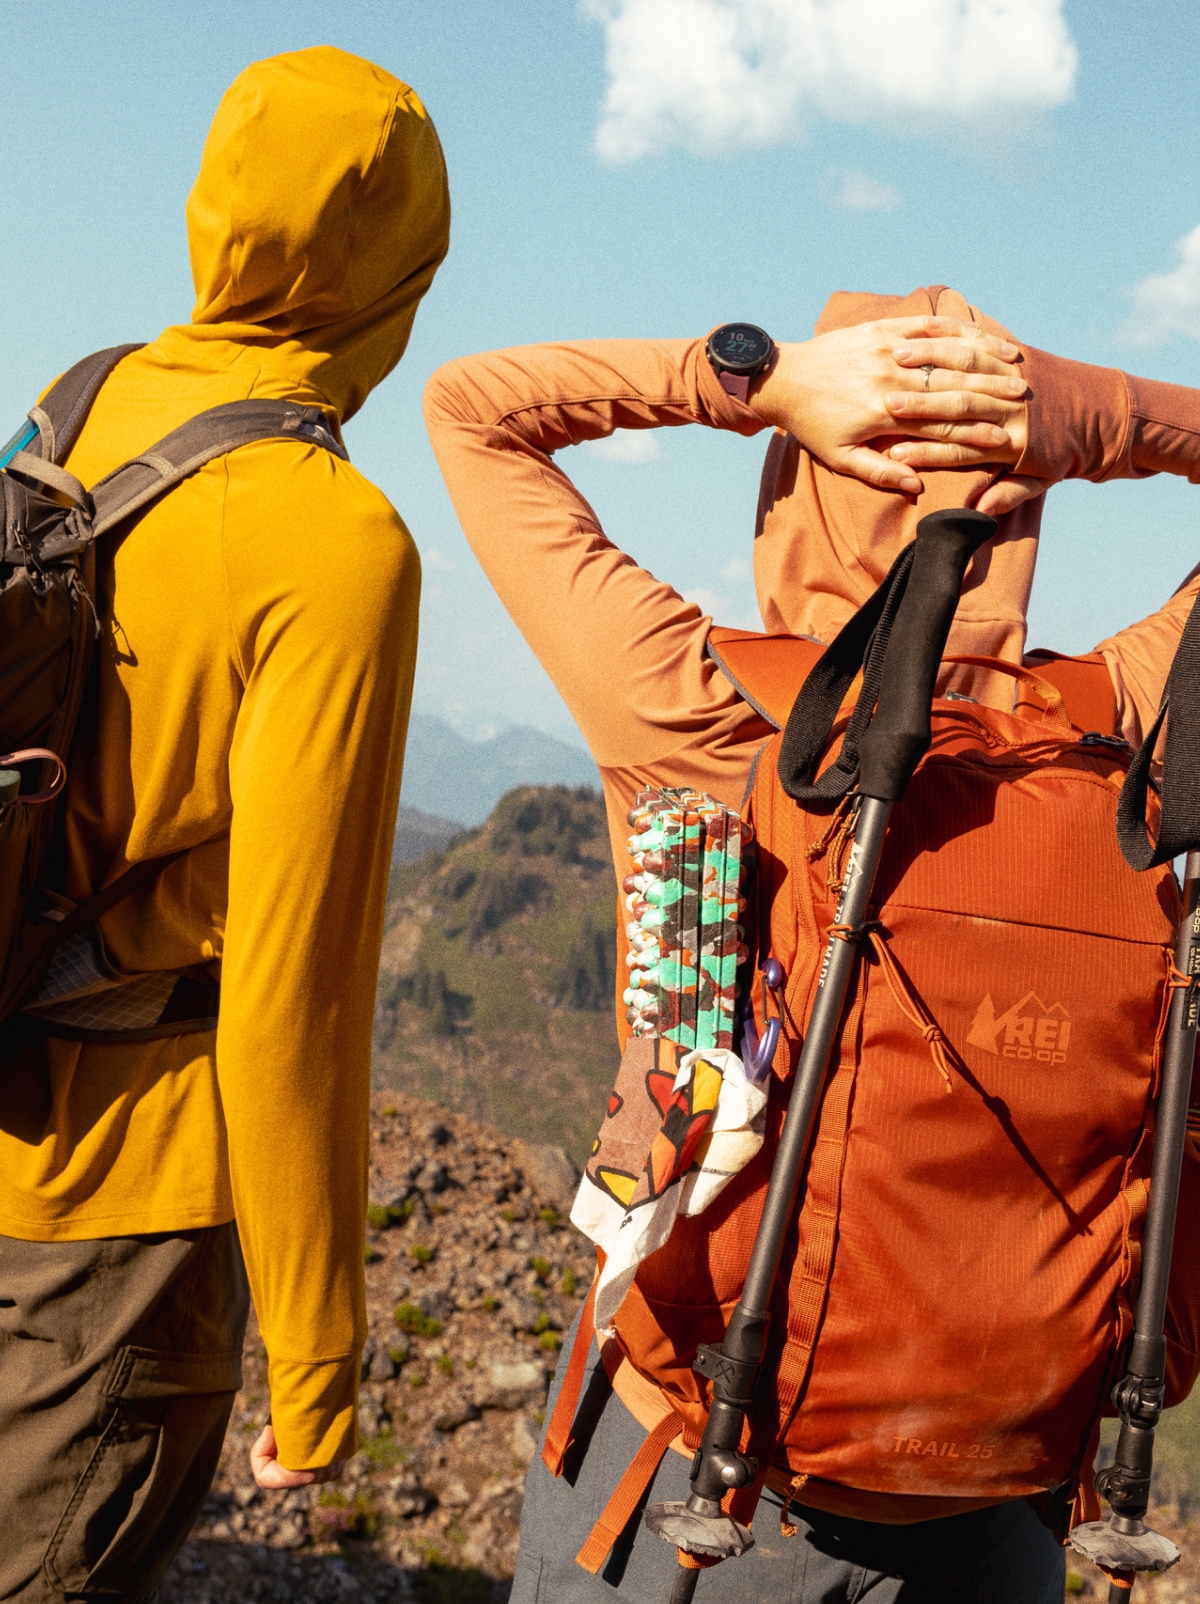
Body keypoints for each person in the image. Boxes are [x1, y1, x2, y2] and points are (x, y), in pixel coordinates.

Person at [424, 284, 1200, 1601]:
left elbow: (472, 413)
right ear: (1025, 506)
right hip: (1005, 1483)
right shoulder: (1116, 723)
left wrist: (755, 378)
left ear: (794, 489)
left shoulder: (697, 702)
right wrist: (1087, 413)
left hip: (709, 1489)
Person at [0, 46, 449, 1601]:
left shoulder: (78, 398)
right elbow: (293, 992)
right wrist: (318, 1352)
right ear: (405, 276)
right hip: (120, 1213)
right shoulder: (338, 546)